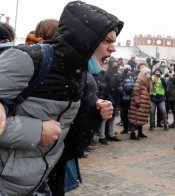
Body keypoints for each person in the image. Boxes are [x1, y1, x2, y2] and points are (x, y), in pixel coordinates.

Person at [0, 1, 123, 195]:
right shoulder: (28, 60)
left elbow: (66, 131)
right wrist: (36, 131)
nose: (113, 49)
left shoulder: (77, 74)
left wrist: (94, 109)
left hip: (40, 181)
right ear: (85, 39)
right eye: (107, 41)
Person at [129, 67, 152, 140]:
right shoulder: (139, 80)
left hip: (143, 102)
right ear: (145, 73)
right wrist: (137, 101)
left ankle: (140, 132)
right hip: (138, 103)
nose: (149, 75)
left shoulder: (147, 80)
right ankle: (132, 134)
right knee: (135, 118)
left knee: (141, 117)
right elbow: (136, 90)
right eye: (148, 73)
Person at [120, 64, 135, 134]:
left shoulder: (133, 77)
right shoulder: (122, 77)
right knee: (123, 114)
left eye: (130, 70)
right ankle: (125, 128)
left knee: (131, 114)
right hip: (124, 98)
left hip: (131, 97)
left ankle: (131, 128)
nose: (129, 71)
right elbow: (120, 87)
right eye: (128, 70)